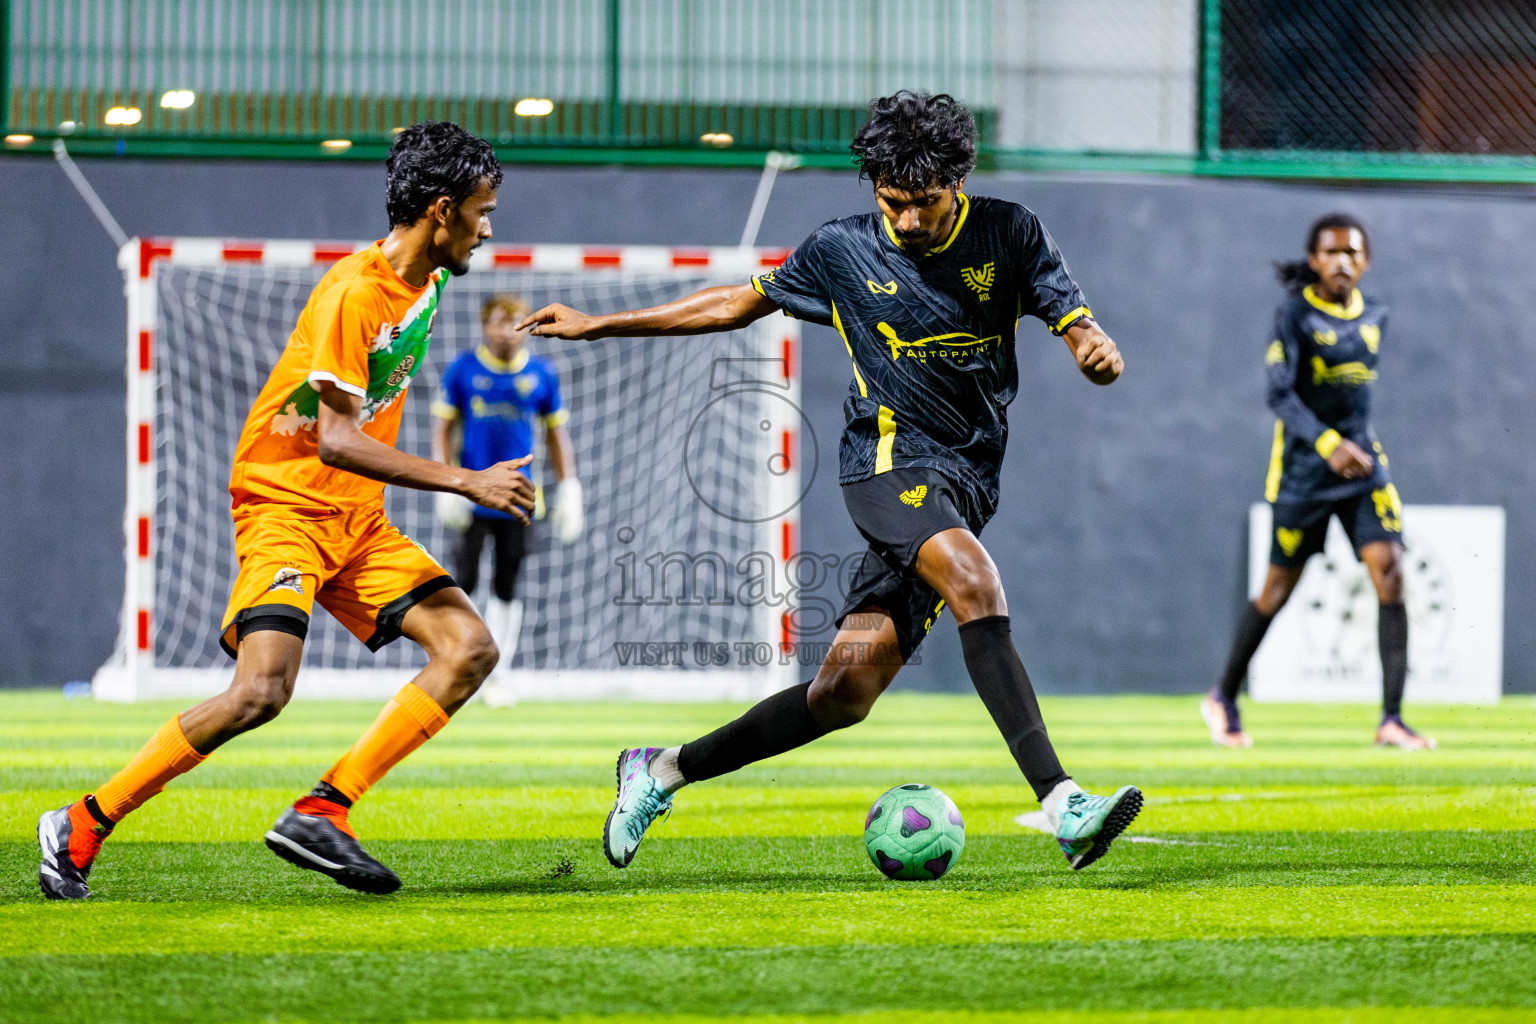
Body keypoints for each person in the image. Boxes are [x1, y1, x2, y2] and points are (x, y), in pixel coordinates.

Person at [520, 91, 1143, 872]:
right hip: (883, 464)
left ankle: (661, 768)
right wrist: (603, 322)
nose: (908, 221)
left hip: (966, 479)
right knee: (975, 582)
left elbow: (1070, 313)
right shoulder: (842, 249)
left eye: (925, 202)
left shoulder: (1009, 231)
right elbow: (734, 304)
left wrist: (1092, 344)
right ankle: (1063, 802)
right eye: (892, 202)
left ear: (959, 181)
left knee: (843, 692)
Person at [38, 122, 535, 901]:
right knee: (261, 693)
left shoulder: (430, 280)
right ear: (442, 211)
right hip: (288, 509)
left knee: (469, 647)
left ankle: (323, 809)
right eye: (483, 209)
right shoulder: (354, 295)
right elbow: (335, 440)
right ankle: (83, 819)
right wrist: (464, 480)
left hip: (356, 521)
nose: (490, 226)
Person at [1201, 213, 1434, 751]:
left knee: (1389, 572)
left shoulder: (1377, 315)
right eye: (1331, 252)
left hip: (1363, 469)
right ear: (1314, 260)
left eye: (1352, 253)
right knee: (1276, 591)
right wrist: (1328, 445)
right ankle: (1224, 696)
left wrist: (1355, 449)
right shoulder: (1294, 315)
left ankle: (1392, 720)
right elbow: (1280, 395)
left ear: (1366, 261)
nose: (1342, 262)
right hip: (1306, 471)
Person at [431, 293, 583, 680]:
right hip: (472, 493)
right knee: (462, 581)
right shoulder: (464, 370)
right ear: (484, 326)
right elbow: (443, 430)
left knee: (507, 583)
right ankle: (457, 664)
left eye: (516, 321)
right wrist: (446, 482)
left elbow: (556, 434)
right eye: (499, 321)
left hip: (519, 498)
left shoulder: (541, 374)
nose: (507, 330)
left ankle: (499, 673)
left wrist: (570, 487)